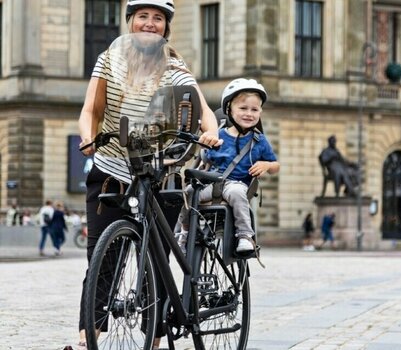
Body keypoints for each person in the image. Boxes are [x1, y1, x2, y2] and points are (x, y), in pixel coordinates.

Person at [66, 1, 222, 349]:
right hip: (111, 170)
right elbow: (91, 109)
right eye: (143, 17)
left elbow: (203, 110)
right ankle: (87, 336)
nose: (150, 24)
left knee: (155, 258)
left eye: (158, 19)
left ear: (166, 27)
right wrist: (87, 135)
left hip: (159, 172)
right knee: (101, 257)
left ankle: (155, 336)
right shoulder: (110, 59)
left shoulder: (175, 66)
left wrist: (210, 132)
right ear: (131, 22)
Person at [175, 78, 280, 254]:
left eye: (255, 110)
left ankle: (245, 236)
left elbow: (276, 165)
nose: (249, 113)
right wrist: (205, 146)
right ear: (229, 109)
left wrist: (266, 165)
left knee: (237, 193)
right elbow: (205, 159)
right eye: (243, 108)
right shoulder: (219, 134)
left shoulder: (259, 140)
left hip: (235, 185)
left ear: (260, 112)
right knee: (188, 194)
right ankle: (185, 232)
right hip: (212, 183)